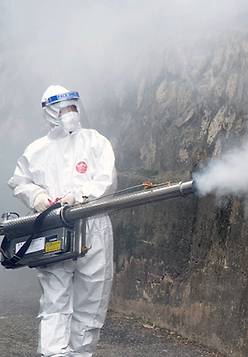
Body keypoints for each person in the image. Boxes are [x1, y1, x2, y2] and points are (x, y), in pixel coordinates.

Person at [8, 85, 116, 356]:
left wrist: (79, 195)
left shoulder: (95, 141)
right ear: (50, 112)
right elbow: (19, 181)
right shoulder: (37, 150)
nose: (70, 113)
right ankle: (54, 353)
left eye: (73, 106)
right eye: (64, 108)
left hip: (93, 224)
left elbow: (107, 180)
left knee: (92, 300)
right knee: (56, 300)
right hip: (53, 227)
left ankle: (81, 353)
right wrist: (38, 197)